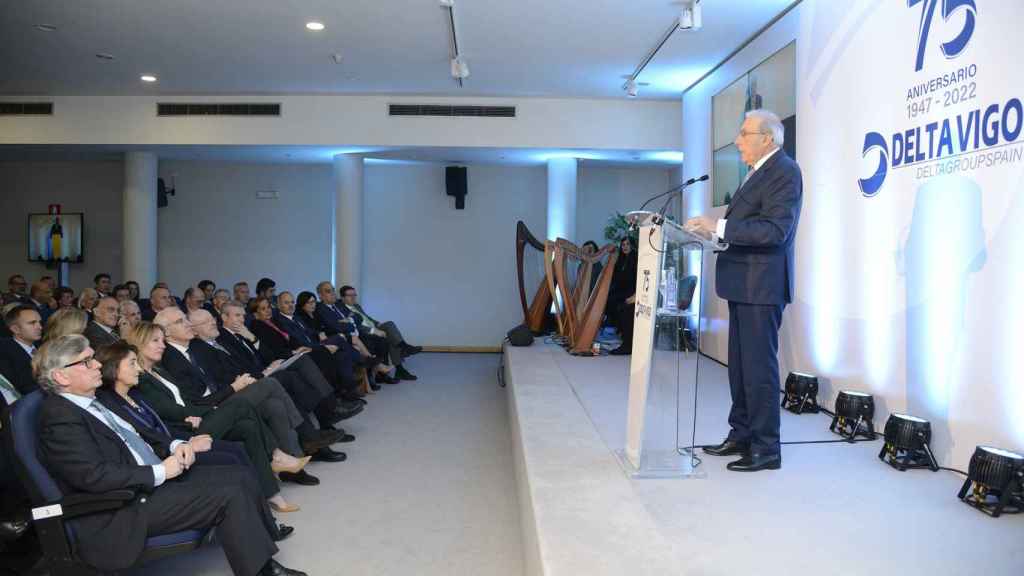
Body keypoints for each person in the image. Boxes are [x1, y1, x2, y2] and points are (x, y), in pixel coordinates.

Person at [31, 335, 307, 575]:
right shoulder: (59, 417)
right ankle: (262, 571)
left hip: (146, 481)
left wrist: (175, 446)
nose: (98, 365)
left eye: (94, 358)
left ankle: (263, 546)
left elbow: (140, 434)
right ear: (61, 376)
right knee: (230, 492)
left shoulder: (91, 401)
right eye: (87, 361)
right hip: (122, 506)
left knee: (239, 473)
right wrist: (163, 471)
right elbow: (93, 476)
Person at [686, 109, 802, 473]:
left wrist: (719, 225)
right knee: (739, 368)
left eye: (743, 133)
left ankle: (767, 448)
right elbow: (746, 227)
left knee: (758, 369)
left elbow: (774, 232)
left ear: (767, 138)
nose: (737, 141)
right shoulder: (757, 173)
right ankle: (741, 434)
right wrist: (714, 233)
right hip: (744, 282)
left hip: (762, 285)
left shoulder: (785, 171)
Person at [118, 330, 307, 512]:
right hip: (184, 432)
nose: (162, 345)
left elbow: (189, 400)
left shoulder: (159, 371)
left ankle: (271, 495)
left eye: (162, 340)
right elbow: (169, 411)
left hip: (196, 418)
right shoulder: (140, 378)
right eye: (155, 341)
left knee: (247, 427)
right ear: (140, 344)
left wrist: (207, 410)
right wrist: (212, 409)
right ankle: (276, 455)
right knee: (240, 404)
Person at [339, 285, 421, 381]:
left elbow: (367, 318)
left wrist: (377, 323)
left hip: (373, 327)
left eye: (354, 295)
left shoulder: (356, 306)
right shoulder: (341, 309)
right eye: (350, 295)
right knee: (391, 338)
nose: (353, 297)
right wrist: (373, 330)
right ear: (343, 297)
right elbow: (355, 325)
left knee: (389, 325)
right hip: (364, 332)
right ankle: (402, 358)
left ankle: (403, 350)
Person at [0, 305, 42, 395]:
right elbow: (21, 388)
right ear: (15, 329)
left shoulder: (43, 347)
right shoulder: (4, 353)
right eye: (32, 323)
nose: (39, 327)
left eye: (39, 322)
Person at [606, 236, 638, 355]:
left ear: (632, 245)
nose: (625, 247)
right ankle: (622, 333)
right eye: (623, 244)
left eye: (627, 244)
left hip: (633, 293)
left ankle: (627, 344)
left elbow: (637, 280)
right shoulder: (620, 259)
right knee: (609, 301)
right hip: (622, 293)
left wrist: (634, 296)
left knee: (621, 307)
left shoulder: (636, 259)